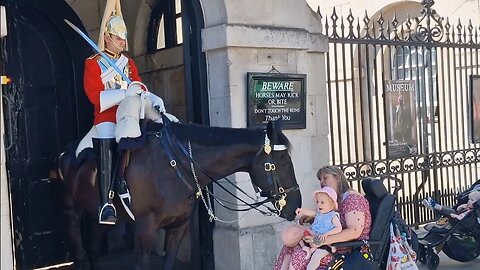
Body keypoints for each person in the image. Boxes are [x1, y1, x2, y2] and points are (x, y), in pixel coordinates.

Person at [76, 0, 165, 225]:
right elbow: (95, 97)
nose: (123, 42)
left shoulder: (128, 63)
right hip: (107, 116)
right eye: (118, 38)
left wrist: (152, 98)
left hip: (131, 114)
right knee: (106, 134)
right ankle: (106, 203)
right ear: (106, 37)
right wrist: (125, 94)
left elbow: (138, 86)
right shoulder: (93, 63)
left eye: (124, 37)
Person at [273, 165, 372, 270]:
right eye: (320, 179)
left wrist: (321, 241)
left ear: (337, 178)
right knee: (290, 247)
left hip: (347, 248)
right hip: (332, 243)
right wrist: (313, 219)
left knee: (299, 254)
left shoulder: (353, 199)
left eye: (325, 178)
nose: (322, 182)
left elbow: (354, 231)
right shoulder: (336, 199)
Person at [294, 187, 342, 270]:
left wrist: (327, 234)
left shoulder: (333, 216)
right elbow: (310, 212)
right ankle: (307, 249)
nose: (319, 205)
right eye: (317, 202)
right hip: (314, 235)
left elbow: (339, 228)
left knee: (316, 257)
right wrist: (302, 211)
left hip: (325, 242)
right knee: (299, 233)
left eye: (322, 202)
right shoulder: (319, 212)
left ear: (332, 204)